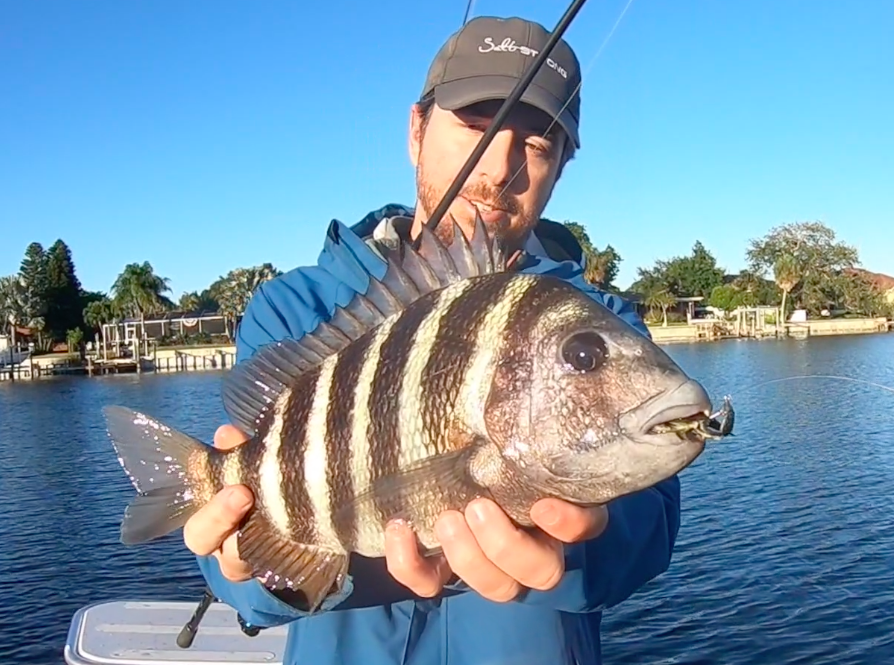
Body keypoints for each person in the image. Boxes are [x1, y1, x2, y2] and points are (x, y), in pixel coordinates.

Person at [184, 15, 682, 665]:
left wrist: (576, 549)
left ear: (563, 166)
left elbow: (650, 531)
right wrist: (246, 566)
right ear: (416, 130)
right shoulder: (296, 309)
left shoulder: (594, 324)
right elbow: (245, 584)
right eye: (476, 127)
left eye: (538, 143)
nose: (501, 166)